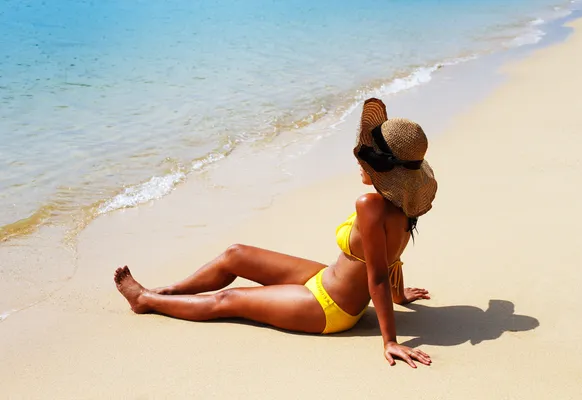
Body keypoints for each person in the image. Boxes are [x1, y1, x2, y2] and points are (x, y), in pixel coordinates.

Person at [114, 98, 438, 368]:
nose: (359, 162)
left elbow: (378, 274)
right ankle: (170, 291)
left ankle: (145, 300)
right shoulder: (401, 207)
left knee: (229, 300)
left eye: (365, 157)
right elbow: (389, 257)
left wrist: (390, 341)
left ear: (381, 168)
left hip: (331, 308)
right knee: (235, 254)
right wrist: (400, 295)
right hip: (325, 279)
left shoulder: (370, 204)